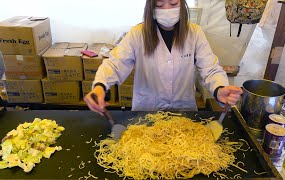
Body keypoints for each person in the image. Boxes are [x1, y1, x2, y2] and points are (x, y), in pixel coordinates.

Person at [85, 0, 243, 115]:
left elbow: (210, 68)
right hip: (146, 112)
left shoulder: (194, 33)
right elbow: (115, 64)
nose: (167, 9)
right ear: (151, 8)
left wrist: (219, 89)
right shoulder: (137, 33)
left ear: (182, 5)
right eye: (159, 5)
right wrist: (100, 86)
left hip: (183, 112)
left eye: (173, 4)